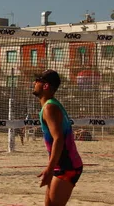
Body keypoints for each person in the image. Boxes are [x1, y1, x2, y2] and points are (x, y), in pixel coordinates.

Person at [33, 70, 83, 206]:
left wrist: (49, 169)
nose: (34, 82)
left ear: (46, 86)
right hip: (61, 165)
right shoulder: (51, 105)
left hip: (68, 167)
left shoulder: (50, 107)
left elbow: (58, 139)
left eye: (38, 80)